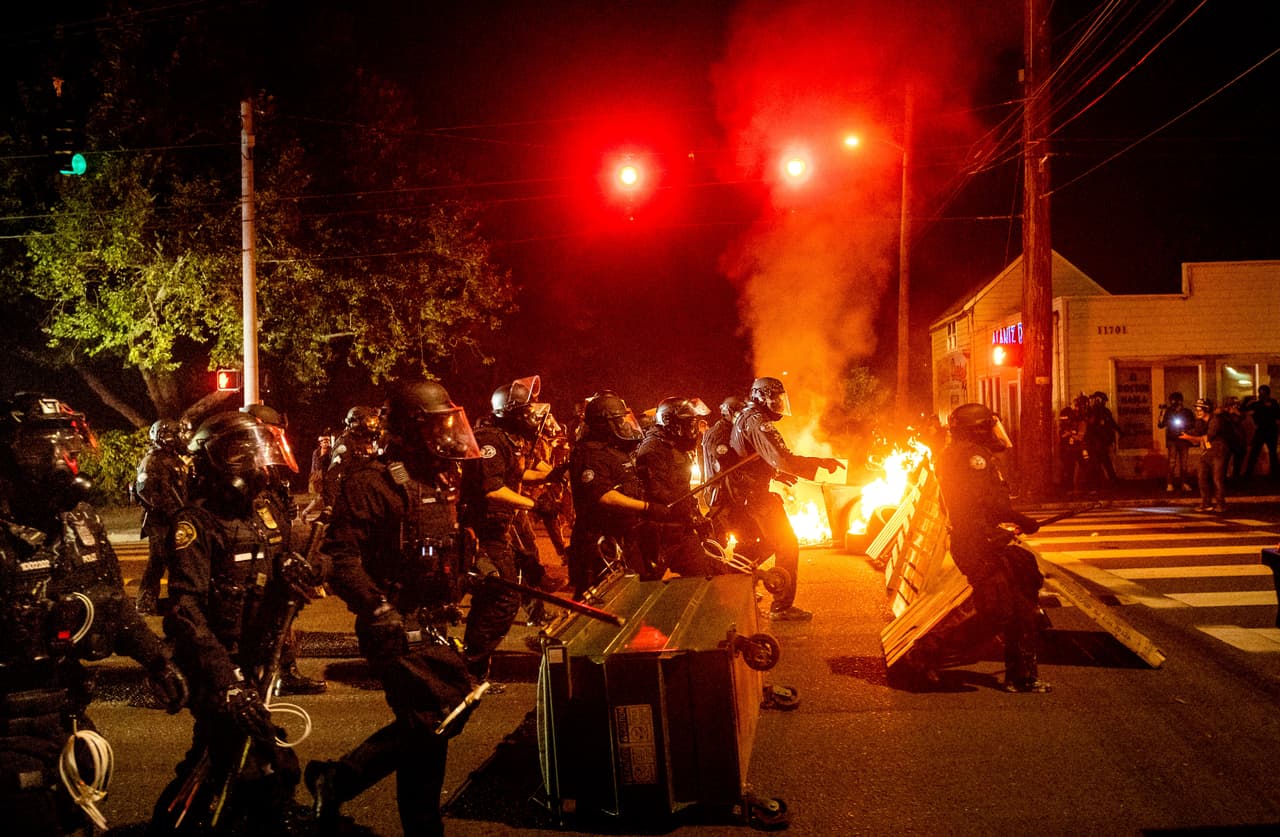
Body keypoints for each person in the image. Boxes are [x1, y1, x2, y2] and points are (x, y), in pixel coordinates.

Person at [1, 393, 187, 836]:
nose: (62, 461)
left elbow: (113, 604)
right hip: (8, 722)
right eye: (43, 448)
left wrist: (158, 659)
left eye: (68, 448)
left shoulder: (80, 521)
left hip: (66, 712)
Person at [305, 380, 482, 837]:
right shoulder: (372, 482)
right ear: (408, 428)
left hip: (434, 620)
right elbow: (340, 556)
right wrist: (377, 607)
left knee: (433, 725)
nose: (446, 434)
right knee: (436, 715)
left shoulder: (441, 477)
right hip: (393, 622)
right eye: (435, 425)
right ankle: (352, 786)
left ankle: (344, 784)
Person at [149, 410, 318, 833]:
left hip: (254, 653)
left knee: (223, 754)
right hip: (215, 661)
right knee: (240, 757)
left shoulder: (259, 514)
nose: (261, 468)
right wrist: (227, 682)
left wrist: (297, 571)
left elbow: (279, 566)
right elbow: (186, 610)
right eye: (251, 457)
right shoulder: (196, 523)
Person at [934, 403, 1049, 694]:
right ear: (977, 430)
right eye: (988, 426)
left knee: (1022, 606)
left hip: (983, 538)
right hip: (977, 542)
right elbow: (983, 503)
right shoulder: (972, 457)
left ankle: (1021, 676)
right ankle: (925, 655)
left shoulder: (958, 454)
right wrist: (1021, 519)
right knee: (996, 610)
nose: (993, 432)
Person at [725, 377, 843, 622]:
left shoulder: (748, 418)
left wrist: (778, 473)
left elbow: (760, 459)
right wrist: (819, 463)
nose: (778, 404)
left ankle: (731, 581)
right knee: (787, 543)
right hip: (756, 496)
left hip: (748, 494)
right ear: (761, 397)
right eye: (775, 398)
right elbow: (782, 457)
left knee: (768, 544)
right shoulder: (757, 422)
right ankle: (781, 607)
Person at [458, 375, 549, 682]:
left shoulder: (507, 439)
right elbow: (492, 489)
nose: (532, 416)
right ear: (509, 412)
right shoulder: (489, 440)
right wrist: (533, 505)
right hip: (484, 530)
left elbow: (515, 477)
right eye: (526, 411)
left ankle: (472, 667)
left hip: (499, 528)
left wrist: (553, 475)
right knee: (502, 597)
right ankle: (470, 668)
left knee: (494, 596)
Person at [566, 391, 668, 597]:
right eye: (619, 420)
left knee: (633, 596)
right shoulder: (591, 454)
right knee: (599, 605)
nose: (625, 424)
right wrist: (647, 508)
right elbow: (604, 496)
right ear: (603, 423)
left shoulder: (615, 450)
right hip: (599, 545)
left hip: (623, 538)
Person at [636, 396, 714, 579]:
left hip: (681, 531)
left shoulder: (675, 446)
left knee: (702, 578)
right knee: (645, 588)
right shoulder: (652, 450)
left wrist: (696, 514)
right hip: (658, 534)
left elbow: (683, 490)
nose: (693, 430)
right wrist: (690, 516)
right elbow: (660, 493)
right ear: (670, 422)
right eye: (688, 424)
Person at [135, 417, 192, 614]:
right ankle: (145, 601)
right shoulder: (153, 460)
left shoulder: (173, 459)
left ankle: (176, 601)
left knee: (177, 562)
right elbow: (146, 491)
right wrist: (172, 513)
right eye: (176, 435)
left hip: (174, 519)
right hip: (160, 522)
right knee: (157, 562)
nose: (180, 438)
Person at [701, 394, 745, 529]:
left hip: (723, 486)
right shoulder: (720, 432)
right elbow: (723, 463)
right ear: (729, 412)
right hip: (720, 488)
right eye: (739, 413)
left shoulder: (728, 429)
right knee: (720, 526)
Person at [1182, 398, 1228, 513]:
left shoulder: (1216, 421)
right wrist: (1183, 432)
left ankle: (1221, 504)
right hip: (1207, 452)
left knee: (1217, 479)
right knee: (1202, 477)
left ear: (1207, 410)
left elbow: (1208, 437)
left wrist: (1189, 438)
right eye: (1196, 410)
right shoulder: (1200, 421)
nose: (1197, 412)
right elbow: (1197, 432)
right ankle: (1206, 503)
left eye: (1200, 410)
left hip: (1218, 453)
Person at [1157, 392, 1195, 494]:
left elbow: (1193, 424)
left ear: (1180, 401)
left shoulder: (1187, 412)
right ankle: (1170, 484)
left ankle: (1184, 483)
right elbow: (1160, 425)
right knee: (1172, 463)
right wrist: (1162, 412)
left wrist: (1185, 426)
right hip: (1172, 440)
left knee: (1184, 464)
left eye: (1175, 401)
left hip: (1183, 439)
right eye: (1172, 401)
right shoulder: (1168, 412)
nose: (1174, 404)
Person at [1082, 391, 1120, 489]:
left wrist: (1120, 431)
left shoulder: (1106, 412)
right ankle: (1098, 483)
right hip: (1095, 443)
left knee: (1105, 462)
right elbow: (1090, 424)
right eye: (1102, 400)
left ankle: (1111, 481)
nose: (1103, 403)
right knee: (1097, 463)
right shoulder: (1092, 412)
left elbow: (1111, 423)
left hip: (1103, 442)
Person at [1243, 384, 1280, 481]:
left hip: (1268, 430)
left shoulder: (1270, 403)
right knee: (1258, 452)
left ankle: (1274, 475)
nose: (1262, 395)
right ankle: (1249, 474)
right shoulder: (1259, 404)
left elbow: (1278, 415)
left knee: (1269, 453)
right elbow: (1244, 410)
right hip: (1265, 430)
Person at [298, 432, 334, 523]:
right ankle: (306, 512)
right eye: (324, 441)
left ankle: (310, 513)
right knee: (321, 497)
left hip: (329, 477)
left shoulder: (332, 451)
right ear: (320, 443)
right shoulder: (316, 452)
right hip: (319, 478)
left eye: (328, 441)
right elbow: (314, 466)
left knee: (326, 497)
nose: (326, 443)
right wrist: (313, 477)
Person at [1055, 396, 1085, 494]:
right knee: (1068, 468)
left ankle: (1086, 486)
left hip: (1079, 447)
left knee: (1085, 465)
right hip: (1068, 449)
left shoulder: (1080, 421)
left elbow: (1080, 436)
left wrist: (1071, 434)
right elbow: (1061, 436)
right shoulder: (1065, 422)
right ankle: (1068, 487)